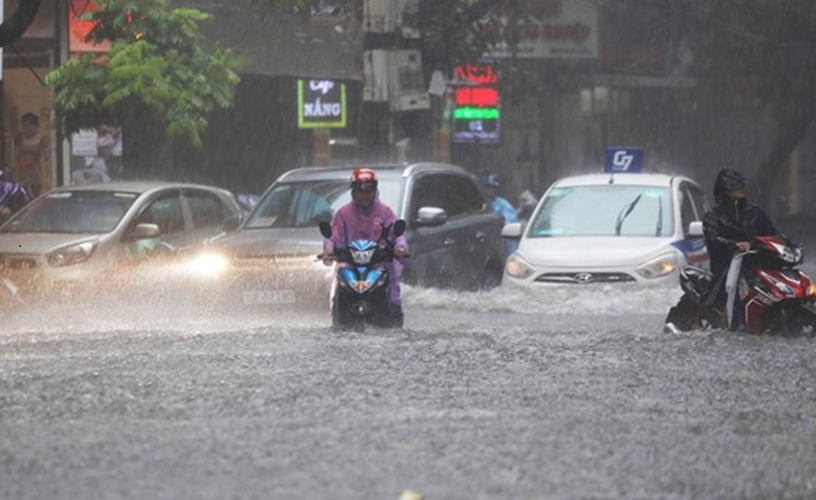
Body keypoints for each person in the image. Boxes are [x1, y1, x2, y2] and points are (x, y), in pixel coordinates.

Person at [323, 168, 409, 327]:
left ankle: (394, 316)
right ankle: (337, 317)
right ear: (353, 191)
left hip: (379, 264)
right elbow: (332, 236)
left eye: (369, 190)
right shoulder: (343, 214)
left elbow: (398, 235)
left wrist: (400, 248)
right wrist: (328, 251)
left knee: (393, 286)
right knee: (337, 283)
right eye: (361, 191)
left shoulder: (385, 212)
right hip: (349, 264)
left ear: (375, 190)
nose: (365, 195)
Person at [702, 167, 777, 329]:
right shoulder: (713, 216)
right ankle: (734, 326)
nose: (741, 188)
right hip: (727, 271)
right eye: (734, 186)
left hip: (757, 267)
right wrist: (735, 245)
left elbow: (772, 234)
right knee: (736, 308)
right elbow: (713, 239)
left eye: (741, 185)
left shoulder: (755, 213)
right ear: (724, 190)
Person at [480, 173, 519, 254]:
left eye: (493, 187)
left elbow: (510, 225)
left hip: (499, 242)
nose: (490, 190)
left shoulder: (503, 204)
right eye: (488, 187)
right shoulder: (479, 203)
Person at [14, 112, 51, 197]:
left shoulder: (42, 140)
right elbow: (14, 157)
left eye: (29, 126)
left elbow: (47, 160)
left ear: (36, 126)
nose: (26, 129)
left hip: (37, 177)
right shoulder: (19, 138)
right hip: (21, 176)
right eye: (24, 126)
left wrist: (48, 180)